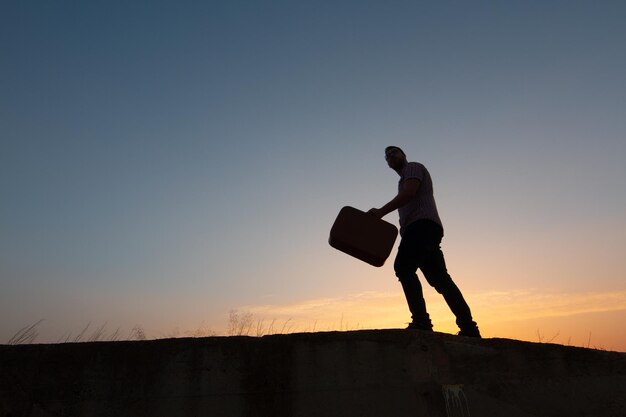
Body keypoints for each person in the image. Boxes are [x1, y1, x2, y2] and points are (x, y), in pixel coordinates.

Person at [368, 146, 481, 337]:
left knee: (403, 268)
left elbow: (409, 194)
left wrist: (380, 212)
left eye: (394, 152)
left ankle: (421, 321)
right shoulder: (402, 180)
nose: (390, 156)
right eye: (387, 156)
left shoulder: (413, 168)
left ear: (404, 155)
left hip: (421, 226)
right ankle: (469, 328)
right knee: (441, 280)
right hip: (423, 229)